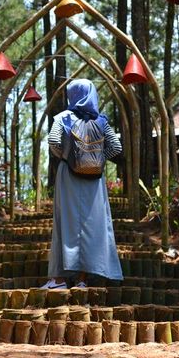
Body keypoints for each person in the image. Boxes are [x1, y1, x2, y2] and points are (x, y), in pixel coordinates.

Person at [41, 79, 124, 289]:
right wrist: (96, 160)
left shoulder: (63, 117)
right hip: (94, 180)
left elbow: (53, 141)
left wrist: (69, 158)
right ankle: (82, 280)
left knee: (65, 222)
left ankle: (59, 279)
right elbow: (116, 148)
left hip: (68, 176)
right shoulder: (101, 121)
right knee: (91, 225)